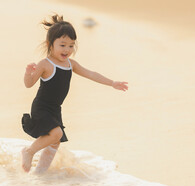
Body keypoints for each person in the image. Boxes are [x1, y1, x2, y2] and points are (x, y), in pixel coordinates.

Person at [21, 14, 128, 173]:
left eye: (71, 46)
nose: (67, 50)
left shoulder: (71, 64)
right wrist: (28, 73)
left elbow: (91, 74)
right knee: (56, 133)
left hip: (55, 109)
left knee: (55, 142)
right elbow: (29, 84)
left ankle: (40, 174)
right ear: (50, 44)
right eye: (63, 45)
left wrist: (112, 83)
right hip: (42, 107)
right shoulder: (45, 64)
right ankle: (28, 152)